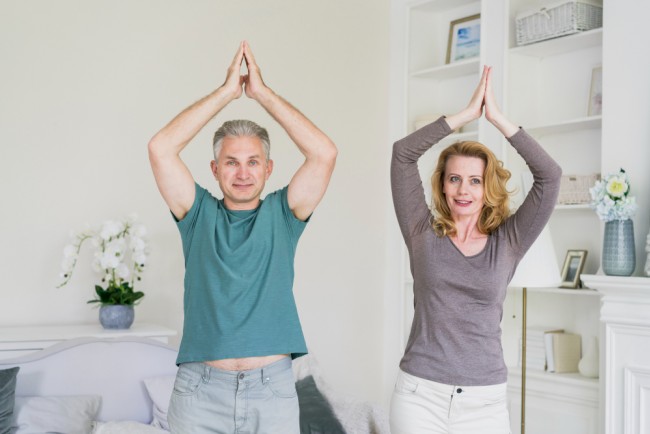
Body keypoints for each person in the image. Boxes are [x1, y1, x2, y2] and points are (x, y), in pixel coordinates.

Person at [148, 41, 337, 434]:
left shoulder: (284, 214)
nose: (243, 173)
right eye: (231, 162)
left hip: (272, 391)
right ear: (215, 169)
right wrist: (226, 93)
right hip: (199, 392)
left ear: (268, 169)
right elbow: (161, 148)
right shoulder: (197, 214)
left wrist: (262, 94)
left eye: (253, 162)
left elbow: (324, 153)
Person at [389, 66, 561, 433]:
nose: (463, 190)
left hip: (485, 402)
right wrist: (464, 116)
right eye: (454, 179)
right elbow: (402, 154)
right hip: (420, 395)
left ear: (487, 188)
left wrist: (498, 120)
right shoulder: (421, 232)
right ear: (442, 185)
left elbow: (550, 176)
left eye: (474, 180)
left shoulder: (509, 241)